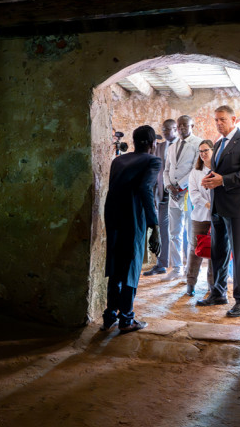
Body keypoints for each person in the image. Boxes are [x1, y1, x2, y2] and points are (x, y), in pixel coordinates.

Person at [199, 106, 240, 317]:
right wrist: (209, 180)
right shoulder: (218, 143)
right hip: (217, 205)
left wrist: (223, 180)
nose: (218, 123)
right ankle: (218, 292)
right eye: (216, 120)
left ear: (233, 119)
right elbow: (218, 171)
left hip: (237, 206)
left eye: (222, 119)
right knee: (218, 252)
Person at [102, 125, 162, 333]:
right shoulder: (153, 160)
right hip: (133, 217)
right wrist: (154, 225)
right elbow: (145, 189)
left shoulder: (118, 160)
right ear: (153, 143)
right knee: (131, 268)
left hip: (112, 216)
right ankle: (126, 319)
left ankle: (109, 315)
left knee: (116, 266)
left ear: (135, 142)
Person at [162, 115, 203, 280]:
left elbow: (195, 168)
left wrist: (180, 186)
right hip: (173, 194)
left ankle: (190, 269)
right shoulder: (172, 146)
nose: (181, 128)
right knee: (174, 232)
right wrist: (168, 186)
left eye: (185, 125)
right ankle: (176, 268)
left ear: (192, 125)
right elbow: (166, 169)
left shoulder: (197, 143)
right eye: (179, 126)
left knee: (190, 232)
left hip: (187, 193)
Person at [143, 119, 177, 276]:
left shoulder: (182, 146)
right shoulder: (160, 147)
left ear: (175, 129)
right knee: (162, 229)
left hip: (179, 194)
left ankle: (179, 265)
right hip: (161, 195)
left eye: (168, 129)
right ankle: (161, 263)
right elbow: (156, 172)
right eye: (163, 130)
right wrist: (155, 192)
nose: (164, 132)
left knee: (179, 231)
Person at [184, 139, 215, 296]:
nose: (203, 154)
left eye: (206, 150)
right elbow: (194, 194)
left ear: (213, 151)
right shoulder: (195, 172)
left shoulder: (220, 169)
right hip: (200, 215)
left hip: (218, 215)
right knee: (195, 249)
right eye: (200, 151)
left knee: (215, 250)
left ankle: (212, 284)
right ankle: (190, 282)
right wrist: (207, 204)